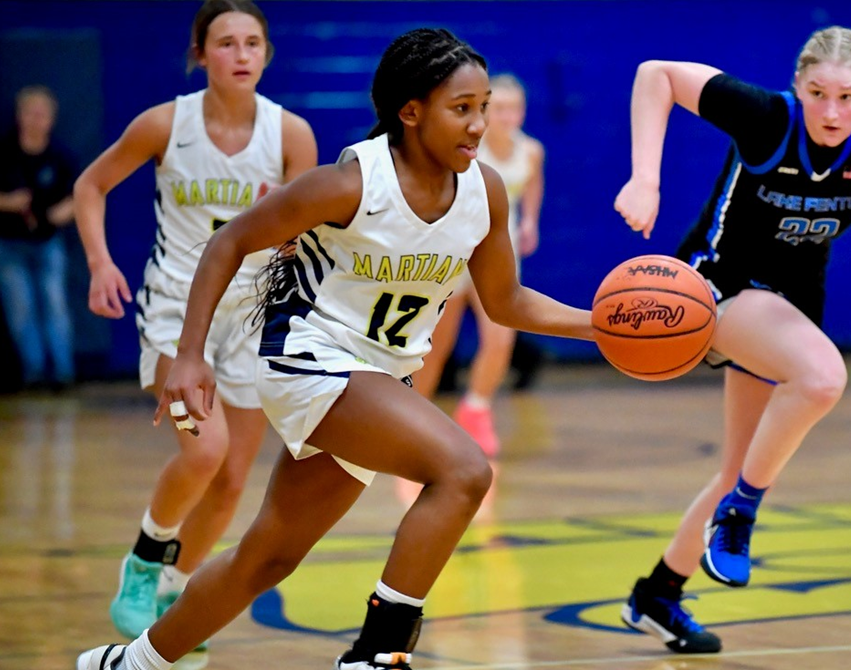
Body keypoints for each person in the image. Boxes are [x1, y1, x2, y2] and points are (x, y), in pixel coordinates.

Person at [76, 27, 593, 670]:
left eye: (484, 107)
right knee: (463, 470)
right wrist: (188, 356)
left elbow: (507, 301)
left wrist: (600, 326)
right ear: (411, 112)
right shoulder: (350, 182)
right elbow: (230, 243)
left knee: (266, 557)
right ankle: (377, 655)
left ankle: (130, 665)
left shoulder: (483, 189)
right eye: (463, 108)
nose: (479, 124)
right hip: (311, 357)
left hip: (378, 374)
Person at [613, 26, 851, 654]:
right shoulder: (767, 117)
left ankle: (657, 593)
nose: (833, 111)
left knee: (738, 465)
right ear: (797, 86)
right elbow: (656, 72)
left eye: (848, 96)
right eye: (818, 93)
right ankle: (741, 515)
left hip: (790, 305)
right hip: (718, 287)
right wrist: (645, 179)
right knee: (822, 379)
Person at [73, 0, 317, 645]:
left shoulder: (291, 135)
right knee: (204, 451)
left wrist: (288, 231)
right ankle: (142, 562)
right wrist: (100, 263)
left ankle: (174, 596)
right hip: (175, 316)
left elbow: (307, 237)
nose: (240, 54)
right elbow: (90, 186)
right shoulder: (164, 124)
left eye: (252, 43)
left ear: (266, 54)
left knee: (234, 478)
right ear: (201, 53)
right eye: (226, 43)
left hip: (250, 319)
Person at [412, 73, 546, 457]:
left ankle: (476, 408)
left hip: (499, 253)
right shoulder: (468, 146)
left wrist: (529, 220)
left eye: (514, 108)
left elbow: (533, 185)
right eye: (498, 108)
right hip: (455, 252)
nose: (507, 116)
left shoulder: (531, 150)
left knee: (501, 339)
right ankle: (416, 418)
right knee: (438, 345)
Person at [0, 85, 77, 391]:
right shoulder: (0, 152)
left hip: (47, 242)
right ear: (19, 116)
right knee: (20, 308)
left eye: (42, 114)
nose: (35, 120)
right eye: (29, 113)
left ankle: (63, 373)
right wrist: (8, 202)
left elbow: (79, 196)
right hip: (7, 245)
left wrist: (55, 215)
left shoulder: (60, 156)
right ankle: (34, 373)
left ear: (51, 119)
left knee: (55, 304)